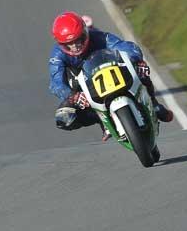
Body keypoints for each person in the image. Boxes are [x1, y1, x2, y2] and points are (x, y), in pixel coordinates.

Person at [49, 10, 173, 141]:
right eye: (69, 43)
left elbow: (125, 46)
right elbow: (56, 82)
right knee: (64, 118)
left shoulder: (99, 37)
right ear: (61, 44)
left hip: (112, 75)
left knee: (141, 70)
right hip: (83, 90)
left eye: (78, 39)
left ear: (85, 32)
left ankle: (153, 104)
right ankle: (101, 120)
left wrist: (136, 61)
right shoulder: (57, 55)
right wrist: (72, 96)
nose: (75, 46)